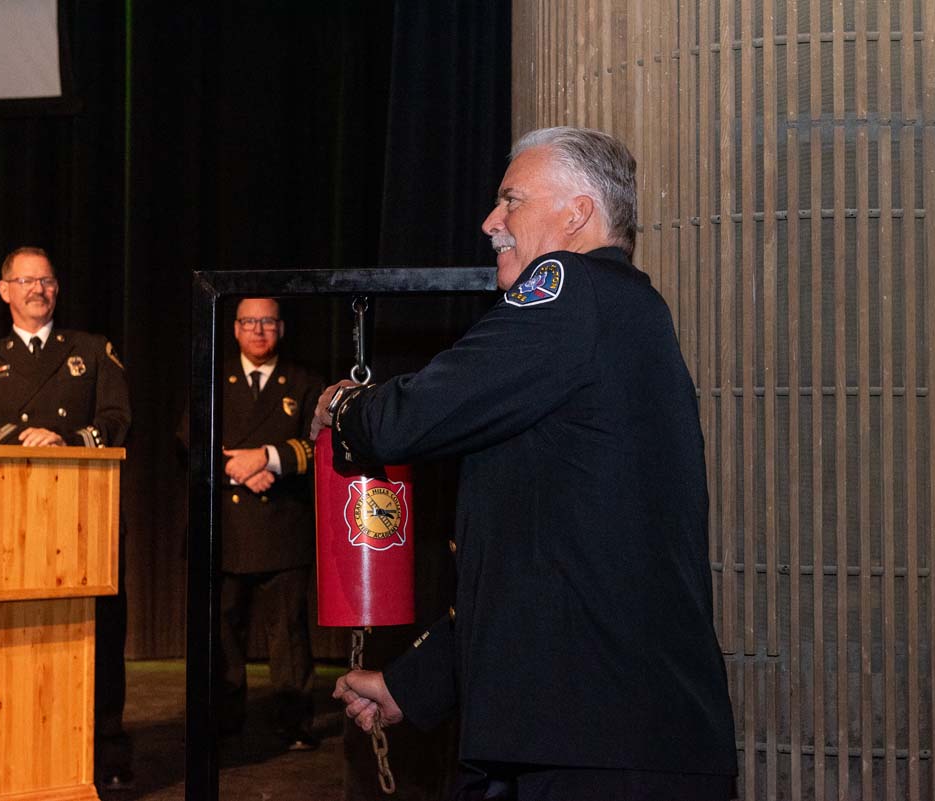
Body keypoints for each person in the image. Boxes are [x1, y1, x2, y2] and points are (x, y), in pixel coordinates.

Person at [313, 127, 738, 800]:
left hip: (597, 751)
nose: (490, 222)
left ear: (577, 213)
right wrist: (410, 683)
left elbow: (423, 410)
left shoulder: (571, 285)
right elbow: (537, 564)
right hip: (590, 740)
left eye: (511, 200)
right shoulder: (613, 322)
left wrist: (346, 414)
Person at [0, 246, 135, 791]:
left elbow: (117, 419)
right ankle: (15, 750)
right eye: (27, 281)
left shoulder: (91, 350)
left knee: (97, 637)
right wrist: (14, 439)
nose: (39, 289)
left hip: (82, 518)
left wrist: (64, 440)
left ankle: (105, 755)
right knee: (20, 640)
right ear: (4, 289)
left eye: (48, 281)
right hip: (8, 528)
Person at [218, 297, 323, 751]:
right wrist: (238, 469)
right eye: (249, 322)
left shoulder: (304, 382)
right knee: (222, 630)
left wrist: (270, 460)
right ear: (235, 328)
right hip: (224, 525)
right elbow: (188, 441)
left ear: (281, 327)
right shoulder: (212, 377)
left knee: (289, 632)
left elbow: (321, 445)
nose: (258, 330)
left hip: (284, 525)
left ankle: (294, 723)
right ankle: (221, 720)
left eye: (267, 322)